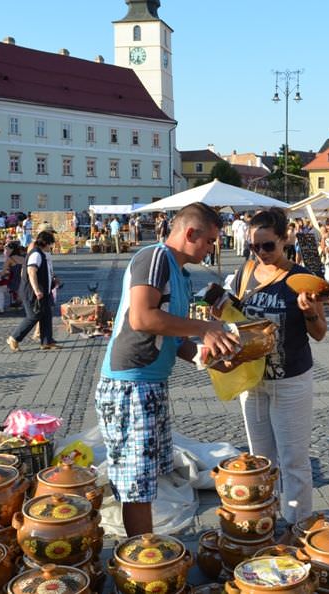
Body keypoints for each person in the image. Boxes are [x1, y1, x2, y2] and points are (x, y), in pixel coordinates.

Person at [94, 203, 240, 536]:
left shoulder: (182, 274)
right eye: (210, 241)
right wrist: (203, 329)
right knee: (136, 484)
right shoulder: (155, 257)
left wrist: (210, 357)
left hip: (149, 384)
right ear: (190, 233)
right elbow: (142, 318)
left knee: (146, 477)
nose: (212, 248)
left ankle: (146, 548)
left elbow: (172, 339)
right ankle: (141, 557)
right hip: (130, 385)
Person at [231, 208, 327, 523]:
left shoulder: (300, 278)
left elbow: (320, 333)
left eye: (267, 246)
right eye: (254, 247)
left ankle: (298, 525)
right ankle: (265, 520)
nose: (260, 253)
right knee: (261, 461)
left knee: (294, 461)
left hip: (291, 380)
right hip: (252, 380)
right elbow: (232, 317)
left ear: (285, 239)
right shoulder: (244, 273)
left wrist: (311, 311)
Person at [7, 231, 60, 349]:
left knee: (46, 314)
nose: (51, 247)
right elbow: (31, 272)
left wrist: (53, 278)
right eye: (51, 244)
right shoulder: (36, 254)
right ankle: (14, 337)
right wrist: (36, 290)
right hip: (32, 291)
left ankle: (47, 341)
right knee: (34, 315)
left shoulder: (42, 253)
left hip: (43, 290)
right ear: (45, 243)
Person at [0, 242, 26, 313]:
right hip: (24, 283)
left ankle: (0, 308)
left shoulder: (9, 259)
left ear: (12, 250)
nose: (5, 251)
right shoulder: (24, 258)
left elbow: (2, 273)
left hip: (14, 284)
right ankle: (17, 301)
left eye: (7, 249)